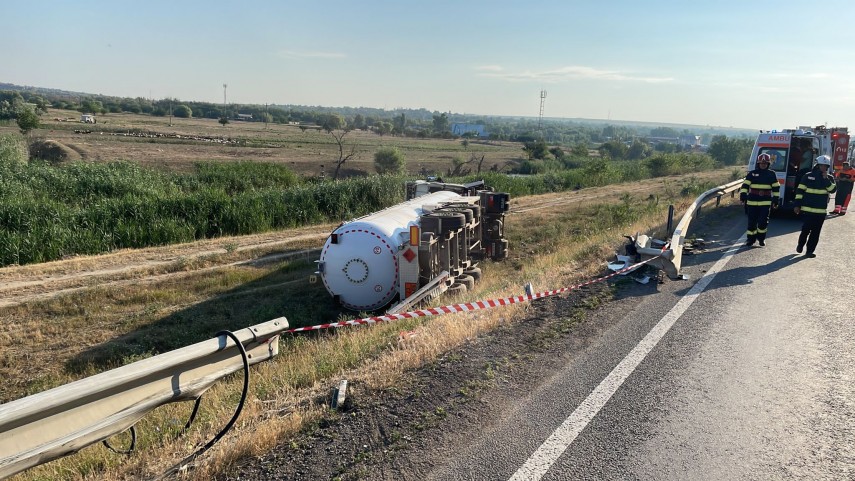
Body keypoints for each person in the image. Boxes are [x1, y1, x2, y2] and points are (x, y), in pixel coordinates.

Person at [794, 155, 837, 257]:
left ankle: (809, 251)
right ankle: (800, 245)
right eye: (821, 166)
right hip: (807, 210)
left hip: (820, 211)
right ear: (817, 165)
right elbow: (799, 191)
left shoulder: (829, 178)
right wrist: (797, 205)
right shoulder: (807, 176)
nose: (823, 168)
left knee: (815, 233)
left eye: (825, 166)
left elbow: (833, 190)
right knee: (805, 230)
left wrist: (826, 179)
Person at [740, 153, 780, 246]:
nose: (763, 165)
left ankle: (761, 239)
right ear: (758, 163)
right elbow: (745, 185)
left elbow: (776, 188)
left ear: (768, 164)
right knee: (751, 222)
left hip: (765, 202)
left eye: (765, 163)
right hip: (752, 201)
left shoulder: (771, 174)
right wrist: (743, 196)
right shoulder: (752, 173)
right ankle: (750, 239)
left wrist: (775, 199)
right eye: (761, 163)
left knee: (763, 222)